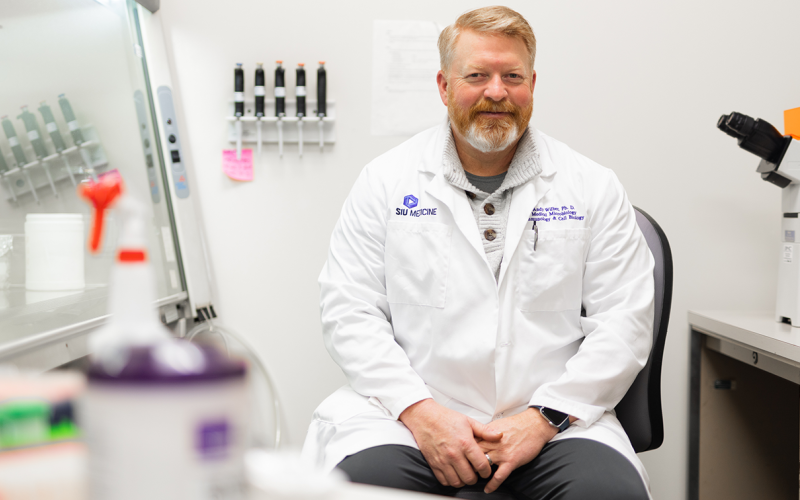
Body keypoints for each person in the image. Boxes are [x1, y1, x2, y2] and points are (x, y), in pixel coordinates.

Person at [302, 6, 654, 499]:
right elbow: (349, 310)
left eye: (512, 76)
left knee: (608, 495)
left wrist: (543, 418)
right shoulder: (385, 181)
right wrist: (420, 412)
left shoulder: (590, 186)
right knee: (362, 490)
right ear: (444, 86)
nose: (496, 92)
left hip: (554, 424)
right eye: (477, 75)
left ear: (532, 83)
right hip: (410, 421)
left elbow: (625, 321)